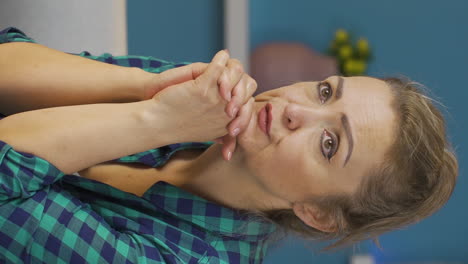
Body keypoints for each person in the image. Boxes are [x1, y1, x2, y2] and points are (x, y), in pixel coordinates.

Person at [0, 27, 458, 264]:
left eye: (328, 143)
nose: (296, 109)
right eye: (324, 92)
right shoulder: (200, 106)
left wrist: (154, 119)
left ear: (316, 213)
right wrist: (145, 87)